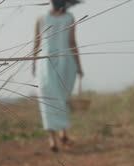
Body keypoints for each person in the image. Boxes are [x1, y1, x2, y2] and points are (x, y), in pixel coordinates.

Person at [32, 0, 84, 153]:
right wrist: (79, 66)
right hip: (66, 63)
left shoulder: (41, 18)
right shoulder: (69, 18)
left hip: (45, 63)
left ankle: (53, 139)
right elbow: (72, 43)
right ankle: (63, 134)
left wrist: (33, 62)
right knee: (62, 98)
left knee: (47, 100)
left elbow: (37, 42)